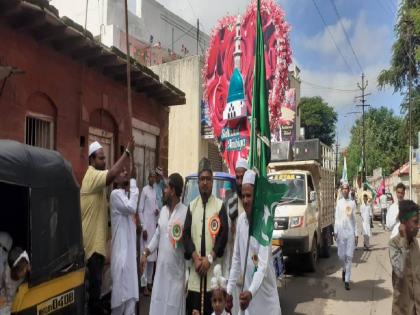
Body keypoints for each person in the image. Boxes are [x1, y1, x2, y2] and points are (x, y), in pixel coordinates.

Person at [81, 138, 134, 315]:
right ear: (91, 160)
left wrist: (125, 175)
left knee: (97, 295)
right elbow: (111, 175)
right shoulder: (91, 176)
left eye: (104, 159)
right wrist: (126, 153)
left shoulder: (99, 183)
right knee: (94, 300)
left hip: (99, 248)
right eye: (100, 159)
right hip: (92, 249)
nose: (104, 162)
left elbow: (114, 177)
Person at [226, 170, 281, 315]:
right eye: (243, 196)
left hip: (266, 302)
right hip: (248, 302)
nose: (245, 200)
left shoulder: (265, 224)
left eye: (249, 195)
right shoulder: (241, 222)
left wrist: (250, 293)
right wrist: (229, 290)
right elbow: (236, 259)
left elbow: (261, 266)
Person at [183, 157, 229, 315]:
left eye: (208, 179)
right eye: (202, 179)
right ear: (198, 182)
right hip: (196, 274)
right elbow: (186, 235)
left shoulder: (219, 206)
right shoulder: (191, 206)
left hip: (213, 276)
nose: (205, 182)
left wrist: (209, 259)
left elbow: (223, 235)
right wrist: (196, 259)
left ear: (212, 182)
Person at [140, 173, 188, 315]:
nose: (163, 190)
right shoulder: (163, 212)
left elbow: (189, 247)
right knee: (158, 306)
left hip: (176, 277)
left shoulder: (185, 213)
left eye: (166, 187)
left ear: (173, 191)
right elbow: (157, 235)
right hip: (160, 275)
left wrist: (187, 277)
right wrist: (145, 252)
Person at [109, 163, 139, 315]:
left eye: (126, 170)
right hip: (121, 258)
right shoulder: (115, 195)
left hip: (129, 260)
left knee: (131, 302)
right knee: (119, 303)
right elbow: (131, 208)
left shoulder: (126, 195)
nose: (125, 172)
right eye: (121, 171)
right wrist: (133, 182)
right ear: (114, 178)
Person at [388, 200, 420, 315]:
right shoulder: (394, 244)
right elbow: (400, 271)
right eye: (415, 222)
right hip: (403, 309)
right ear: (404, 223)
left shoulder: (415, 242)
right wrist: (403, 240)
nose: (418, 225)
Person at [138, 170, 159, 296]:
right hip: (146, 229)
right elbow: (140, 210)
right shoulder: (144, 191)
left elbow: (155, 206)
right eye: (151, 177)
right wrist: (143, 227)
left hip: (153, 228)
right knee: (145, 257)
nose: (152, 179)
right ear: (148, 178)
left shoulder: (155, 191)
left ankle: (150, 283)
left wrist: (157, 211)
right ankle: (144, 285)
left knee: (152, 258)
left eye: (154, 177)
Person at [334, 181, 358, 290]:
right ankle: (344, 270)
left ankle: (347, 280)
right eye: (343, 189)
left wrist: (356, 234)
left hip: (350, 233)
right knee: (341, 256)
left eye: (346, 188)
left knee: (349, 256)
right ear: (341, 190)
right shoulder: (339, 203)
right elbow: (336, 218)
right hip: (341, 232)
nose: (345, 190)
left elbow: (354, 220)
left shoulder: (352, 203)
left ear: (349, 190)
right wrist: (335, 231)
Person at [0, 247, 30, 315]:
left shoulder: (26, 265)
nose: (25, 271)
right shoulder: (6, 274)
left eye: (25, 267)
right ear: (14, 270)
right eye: (22, 270)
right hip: (7, 301)